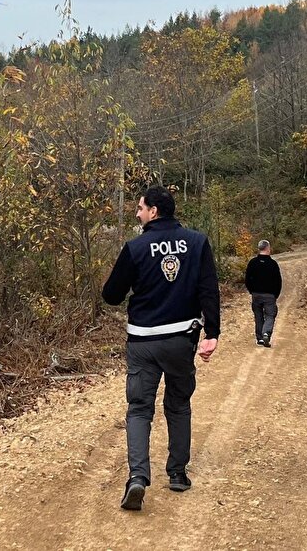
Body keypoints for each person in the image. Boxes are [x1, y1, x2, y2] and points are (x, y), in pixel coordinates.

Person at [102, 185, 220, 512]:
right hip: (182, 339)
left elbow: (111, 295)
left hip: (143, 341)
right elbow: (209, 290)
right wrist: (212, 332)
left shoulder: (136, 247)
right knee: (178, 404)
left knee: (140, 409)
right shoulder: (197, 242)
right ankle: (178, 473)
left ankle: (138, 477)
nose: (137, 214)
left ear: (153, 211)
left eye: (140, 208)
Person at [244, 239, 282, 347]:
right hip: (270, 295)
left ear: (259, 249)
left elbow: (247, 279)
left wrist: (251, 291)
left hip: (256, 295)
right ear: (268, 248)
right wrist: (275, 295)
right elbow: (278, 281)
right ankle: (266, 333)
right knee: (270, 315)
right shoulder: (273, 264)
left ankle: (260, 338)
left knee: (258, 316)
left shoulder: (253, 263)